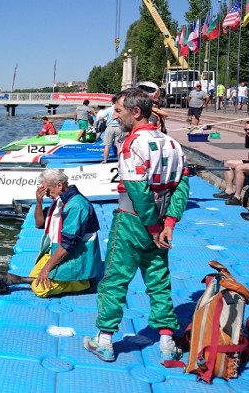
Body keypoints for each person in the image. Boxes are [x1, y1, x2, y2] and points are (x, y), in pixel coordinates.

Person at [83, 88, 189, 363]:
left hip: (133, 221)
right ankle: (167, 341)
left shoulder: (133, 144)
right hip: (161, 223)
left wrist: (153, 226)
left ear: (136, 112)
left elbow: (137, 191)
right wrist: (169, 224)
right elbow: (181, 186)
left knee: (116, 279)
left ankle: (104, 340)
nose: (114, 116)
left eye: (118, 111)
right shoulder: (171, 144)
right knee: (159, 279)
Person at [30, 169, 102, 297]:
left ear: (59, 185)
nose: (46, 194)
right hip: (59, 250)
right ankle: (70, 279)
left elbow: (68, 245)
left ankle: (85, 282)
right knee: (33, 278)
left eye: (47, 190)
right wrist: (39, 202)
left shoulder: (76, 205)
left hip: (76, 255)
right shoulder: (59, 200)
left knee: (39, 289)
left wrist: (46, 269)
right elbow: (39, 223)